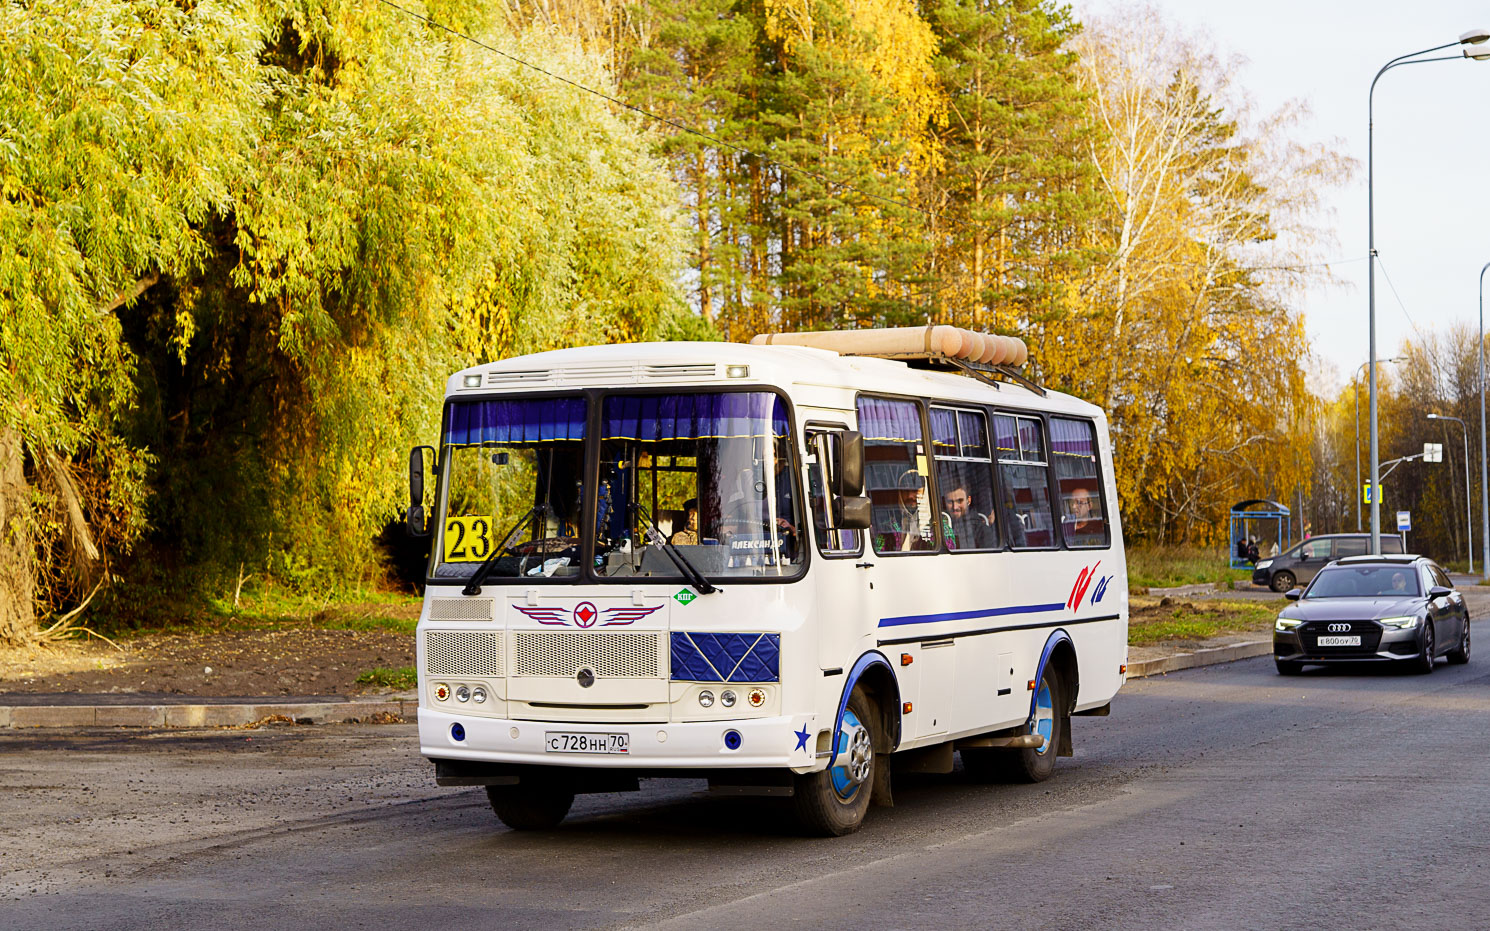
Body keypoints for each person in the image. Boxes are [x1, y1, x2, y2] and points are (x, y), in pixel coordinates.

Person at [942, 481, 992, 550]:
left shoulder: (982, 531)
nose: (955, 507)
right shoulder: (939, 527)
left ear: (968, 500)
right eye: (950, 502)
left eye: (959, 501)